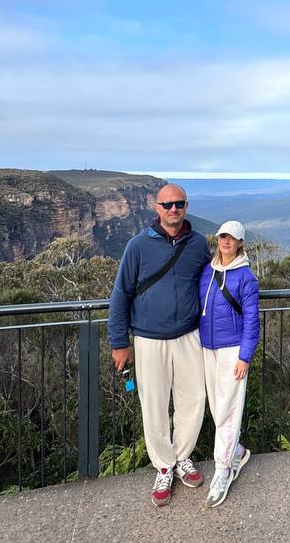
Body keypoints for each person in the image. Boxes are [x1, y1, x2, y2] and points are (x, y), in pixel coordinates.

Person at [107, 183, 212, 507]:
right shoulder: (138, 246)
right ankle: (164, 466)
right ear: (156, 208)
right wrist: (119, 342)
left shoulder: (197, 244)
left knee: (193, 399)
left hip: (189, 336)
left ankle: (182, 458)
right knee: (153, 404)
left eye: (178, 204)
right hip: (149, 339)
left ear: (185, 205)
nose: (173, 209)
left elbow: (210, 286)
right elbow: (121, 293)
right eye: (167, 205)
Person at [198, 220, 260, 507]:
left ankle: (223, 470)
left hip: (232, 350)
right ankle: (235, 452)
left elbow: (252, 321)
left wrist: (244, 357)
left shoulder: (246, 277)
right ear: (218, 239)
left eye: (232, 238)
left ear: (239, 243)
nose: (226, 241)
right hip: (206, 348)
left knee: (228, 409)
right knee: (216, 407)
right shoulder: (207, 272)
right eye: (223, 236)